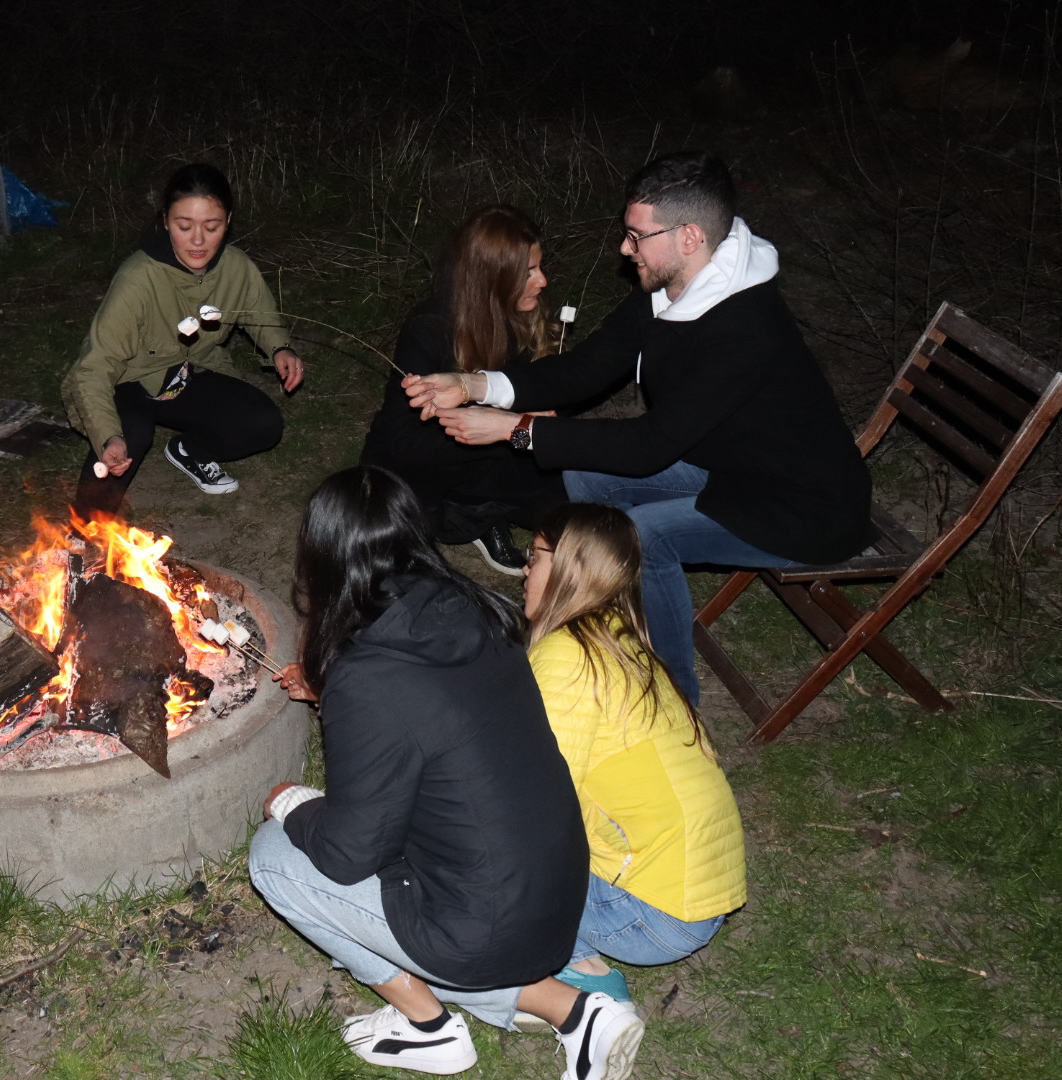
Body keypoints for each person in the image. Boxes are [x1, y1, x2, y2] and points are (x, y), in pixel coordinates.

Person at [404, 150, 872, 705]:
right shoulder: (671, 291)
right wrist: (477, 384)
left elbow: (650, 446)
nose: (625, 249)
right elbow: (588, 367)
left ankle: (671, 702)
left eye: (636, 235)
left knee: (648, 537)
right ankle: (602, 620)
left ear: (690, 237)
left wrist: (514, 430)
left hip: (802, 507)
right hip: (736, 472)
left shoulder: (743, 329)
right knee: (583, 474)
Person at [250, 465, 642, 1079]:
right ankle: (576, 1013)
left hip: (487, 921)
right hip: (555, 891)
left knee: (276, 854)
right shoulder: (474, 608)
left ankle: (427, 1029)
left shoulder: (370, 676)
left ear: (322, 554)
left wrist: (291, 801)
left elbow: (351, 853)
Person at [523, 503, 746, 1006]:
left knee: (474, 870)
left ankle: (586, 979)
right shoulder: (616, 638)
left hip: (648, 912)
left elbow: (547, 798)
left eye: (533, 556)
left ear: (569, 570)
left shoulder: (566, 655)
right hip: (694, 893)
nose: (524, 569)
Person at [62, 164, 305, 516]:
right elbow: (94, 368)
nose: (197, 240)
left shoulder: (236, 267)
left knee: (263, 424)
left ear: (228, 221)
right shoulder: (139, 278)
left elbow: (259, 313)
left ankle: (189, 450)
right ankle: (84, 531)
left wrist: (280, 346)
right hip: (127, 381)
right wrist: (107, 435)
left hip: (187, 375)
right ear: (165, 220)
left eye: (212, 227)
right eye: (184, 226)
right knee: (130, 437)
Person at [360, 205, 568, 576]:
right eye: (529, 272)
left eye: (540, 266)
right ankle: (472, 516)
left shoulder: (525, 319)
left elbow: (530, 418)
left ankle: (482, 512)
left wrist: (522, 429)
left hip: (494, 452)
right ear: (493, 278)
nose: (543, 281)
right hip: (423, 459)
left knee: (564, 492)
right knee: (402, 540)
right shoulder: (431, 328)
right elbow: (404, 442)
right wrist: (502, 428)